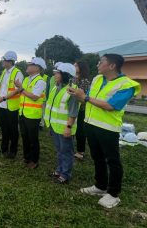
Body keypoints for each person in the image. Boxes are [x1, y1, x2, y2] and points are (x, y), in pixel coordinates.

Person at [68, 53, 140, 209]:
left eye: (101, 62)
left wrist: (85, 98)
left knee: (112, 160)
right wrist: (77, 95)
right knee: (97, 157)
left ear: (112, 66)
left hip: (108, 128)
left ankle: (113, 194)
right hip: (90, 124)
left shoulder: (126, 85)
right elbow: (87, 98)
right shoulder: (97, 79)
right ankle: (100, 186)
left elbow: (110, 106)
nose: (98, 65)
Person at [44, 63, 79, 184]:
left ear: (65, 75)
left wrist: (68, 127)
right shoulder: (56, 87)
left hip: (65, 128)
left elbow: (73, 112)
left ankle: (65, 174)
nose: (55, 75)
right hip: (55, 126)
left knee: (66, 152)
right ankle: (59, 170)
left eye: (57, 73)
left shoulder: (72, 90)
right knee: (59, 150)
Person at [15, 57, 47, 169]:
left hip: (33, 115)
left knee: (33, 138)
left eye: (30, 64)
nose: (27, 66)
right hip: (23, 112)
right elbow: (22, 93)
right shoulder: (27, 79)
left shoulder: (40, 81)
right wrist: (20, 88)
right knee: (24, 136)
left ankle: (34, 160)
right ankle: (27, 157)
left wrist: (21, 89)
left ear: (37, 68)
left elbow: (34, 97)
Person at [0, 51, 24, 158]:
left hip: (12, 107)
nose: (3, 61)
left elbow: (17, 90)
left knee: (13, 130)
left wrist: (3, 98)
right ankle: (4, 149)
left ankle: (13, 151)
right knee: (4, 128)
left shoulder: (17, 73)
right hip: (2, 105)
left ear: (10, 61)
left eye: (5, 60)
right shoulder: (3, 72)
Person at [73, 61, 91, 160]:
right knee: (71, 127)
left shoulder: (85, 81)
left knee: (80, 130)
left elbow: (84, 97)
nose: (74, 66)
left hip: (81, 109)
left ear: (81, 67)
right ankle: (71, 147)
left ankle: (80, 151)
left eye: (76, 65)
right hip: (71, 107)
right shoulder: (72, 78)